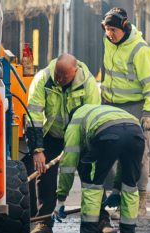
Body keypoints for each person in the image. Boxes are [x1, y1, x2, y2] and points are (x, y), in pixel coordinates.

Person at [21, 53, 100, 219]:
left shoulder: (87, 83)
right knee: (46, 179)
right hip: (52, 135)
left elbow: (93, 117)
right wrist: (37, 149)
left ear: (75, 71)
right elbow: (33, 115)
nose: (59, 79)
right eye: (58, 74)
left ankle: (100, 218)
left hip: (79, 136)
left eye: (65, 76)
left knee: (91, 175)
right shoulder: (43, 78)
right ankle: (44, 221)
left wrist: (83, 146)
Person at [62, 98, 146, 233]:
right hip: (136, 134)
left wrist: (61, 197)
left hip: (108, 135)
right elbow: (124, 163)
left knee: (93, 186)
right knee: (130, 186)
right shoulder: (101, 111)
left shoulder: (75, 120)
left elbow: (68, 163)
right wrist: (116, 190)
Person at [99, 7, 150, 131]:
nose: (109, 34)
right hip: (109, 107)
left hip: (134, 110)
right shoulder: (107, 40)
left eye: (113, 30)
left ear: (124, 27)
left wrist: (148, 114)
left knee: (136, 148)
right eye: (107, 29)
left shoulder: (141, 49)